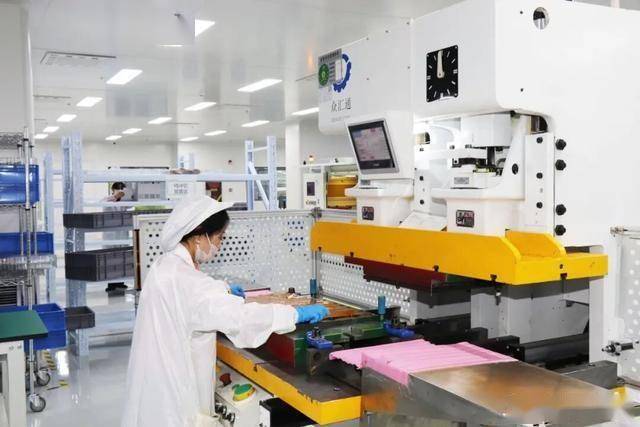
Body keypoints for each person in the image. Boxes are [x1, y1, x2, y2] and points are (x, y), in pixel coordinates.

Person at [122, 196, 328, 427]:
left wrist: (224, 290)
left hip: (152, 386)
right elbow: (241, 318)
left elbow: (190, 300)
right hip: (174, 399)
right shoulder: (191, 284)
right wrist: (294, 314)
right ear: (199, 236)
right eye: (219, 237)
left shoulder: (164, 267)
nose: (219, 246)